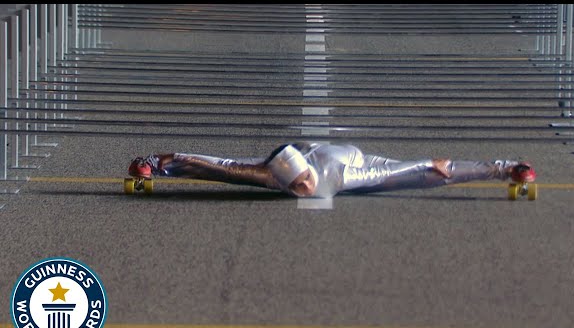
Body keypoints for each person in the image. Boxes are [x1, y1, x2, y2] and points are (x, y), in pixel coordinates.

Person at [127, 141, 536, 198]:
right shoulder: (271, 174)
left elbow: (405, 170)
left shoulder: (339, 178)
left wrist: (432, 163)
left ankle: (507, 168)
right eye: (298, 185)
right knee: (232, 173)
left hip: (350, 161)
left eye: (304, 184)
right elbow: (219, 166)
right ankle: (155, 165)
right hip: (298, 151)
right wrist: (157, 163)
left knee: (421, 176)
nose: (304, 190)